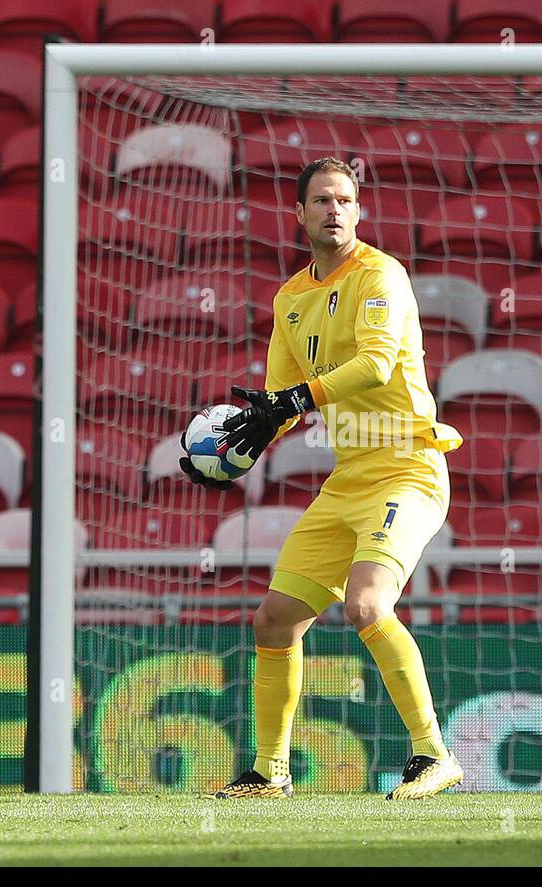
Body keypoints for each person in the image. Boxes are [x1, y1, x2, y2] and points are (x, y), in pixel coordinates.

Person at [180, 156, 465, 799]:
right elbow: (281, 398)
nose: (334, 210)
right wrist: (242, 444)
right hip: (349, 479)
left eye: (345, 199)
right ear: (300, 214)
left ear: (358, 211)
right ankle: (270, 773)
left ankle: (433, 755)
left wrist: (291, 402)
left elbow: (375, 364)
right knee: (274, 620)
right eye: (321, 201)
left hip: (408, 467)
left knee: (367, 604)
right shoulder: (291, 299)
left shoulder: (380, 275)